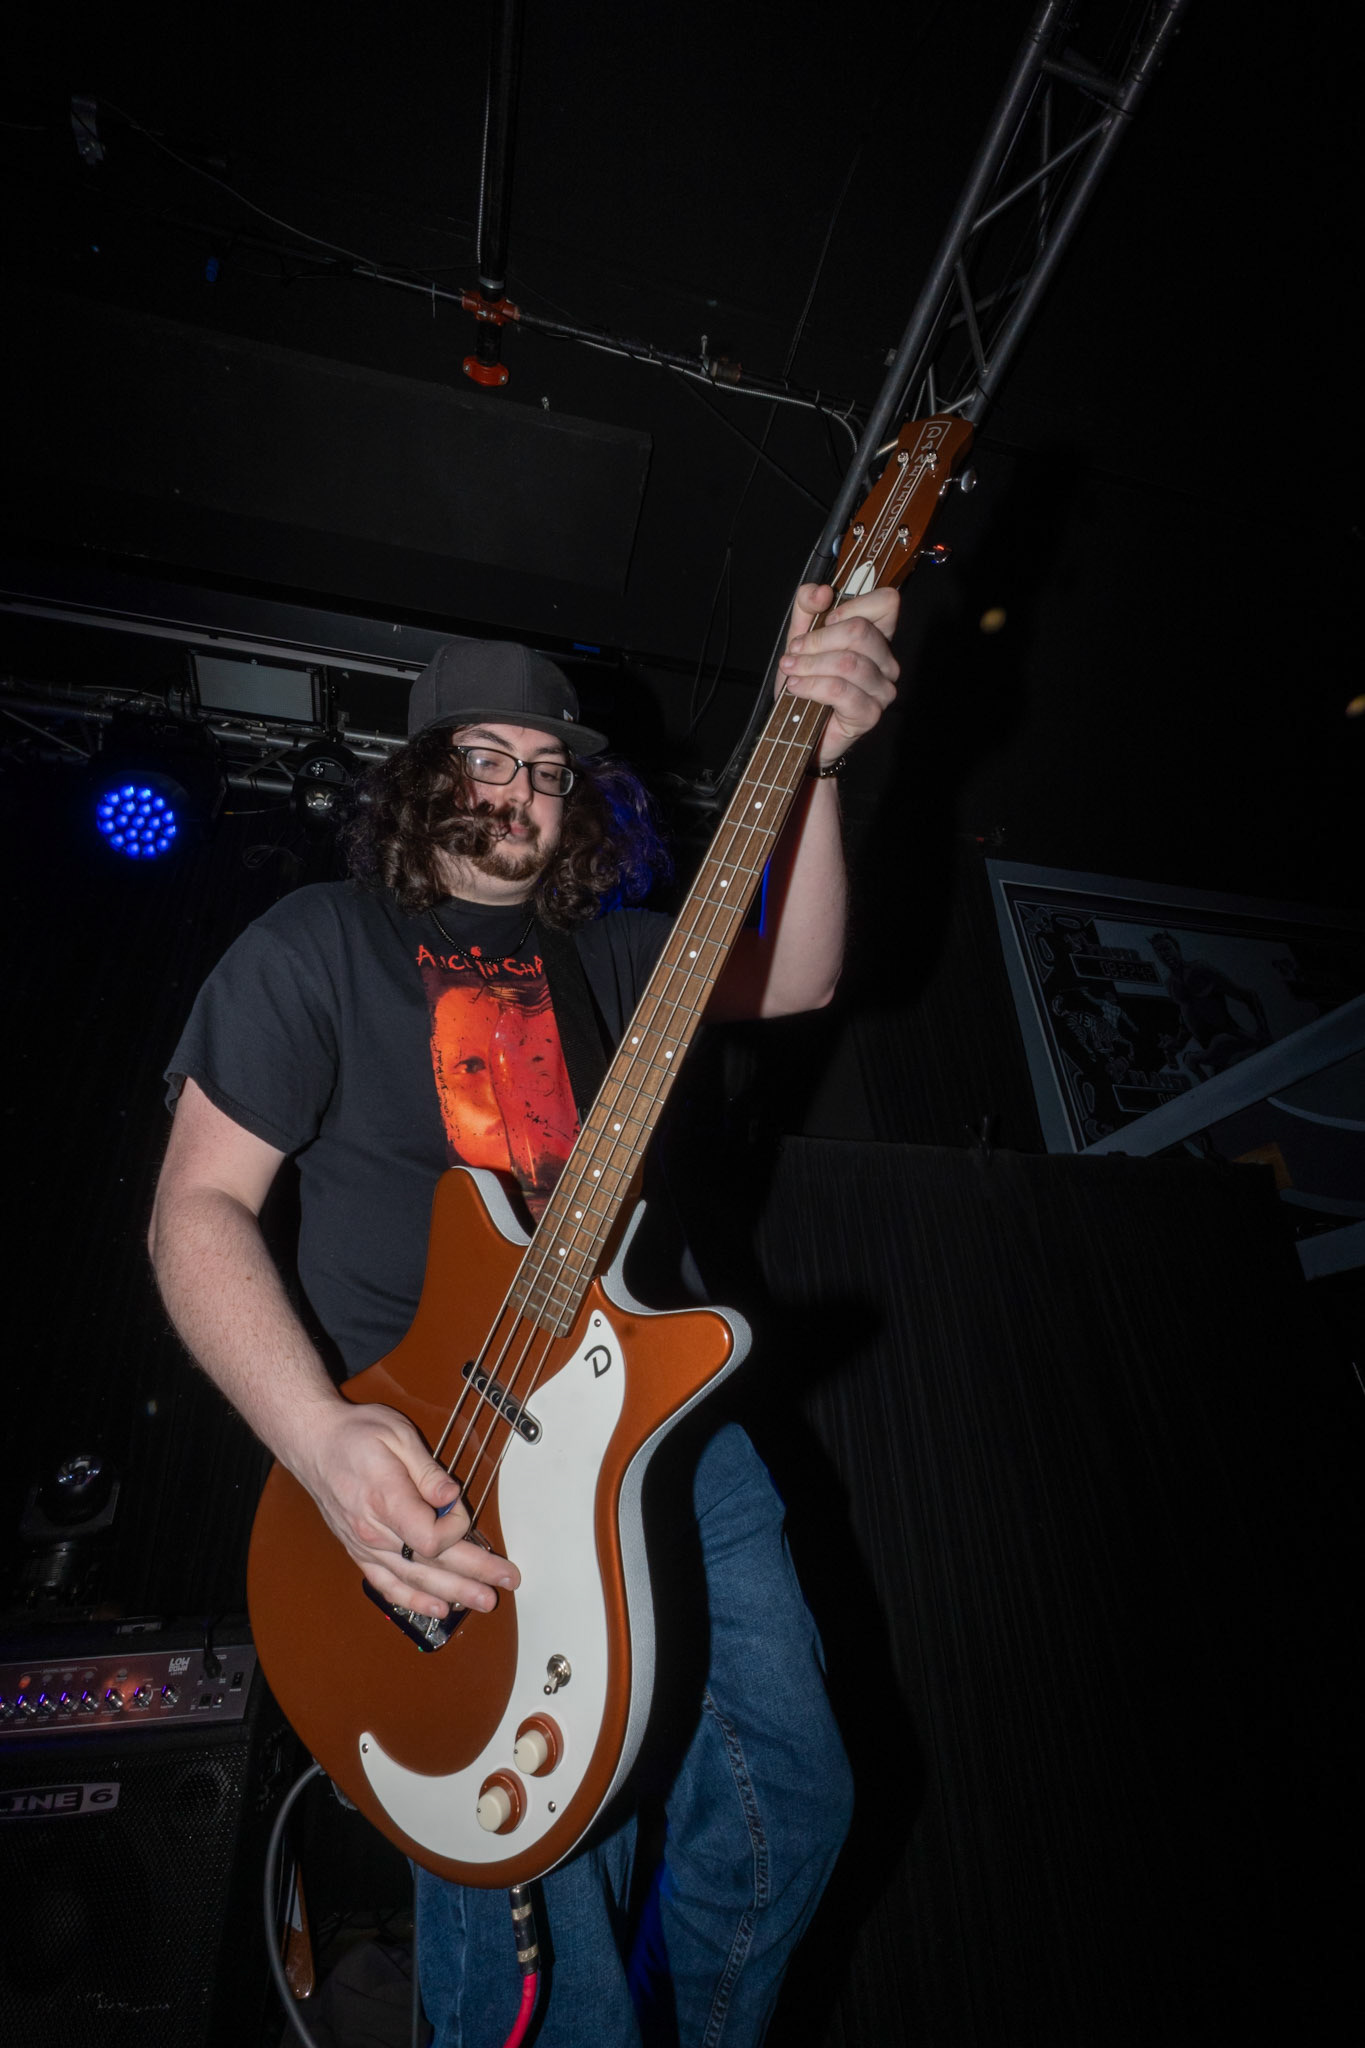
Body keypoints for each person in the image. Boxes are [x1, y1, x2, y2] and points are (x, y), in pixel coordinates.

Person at [149, 581, 899, 2046]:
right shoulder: (315, 941)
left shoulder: (614, 958)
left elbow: (800, 974)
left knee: (793, 1794)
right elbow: (197, 1212)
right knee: (544, 1863)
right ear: (420, 778)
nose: (523, 788)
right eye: (487, 756)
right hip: (450, 1452)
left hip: (665, 1431)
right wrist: (320, 1438)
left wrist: (813, 764)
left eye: (550, 769)